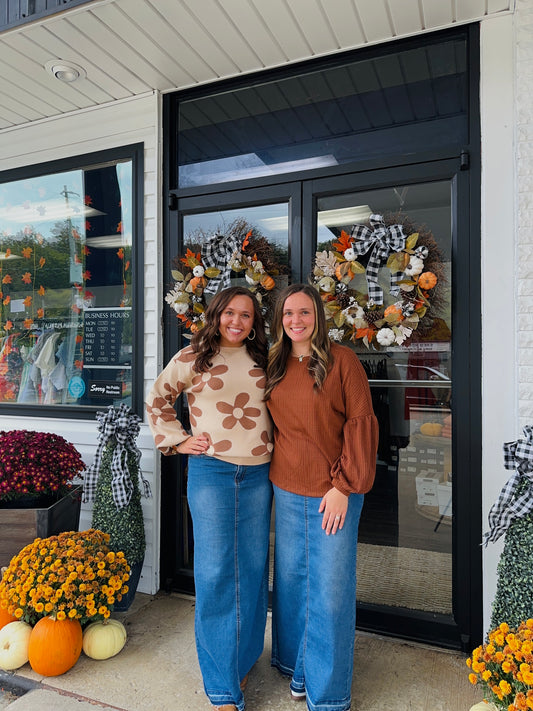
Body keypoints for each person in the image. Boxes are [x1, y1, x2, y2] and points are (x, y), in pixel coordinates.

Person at [146, 285, 273, 711]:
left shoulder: (265, 359)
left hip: (259, 475)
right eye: (230, 313)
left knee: (253, 569)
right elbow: (158, 399)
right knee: (217, 572)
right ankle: (222, 689)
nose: (237, 322)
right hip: (212, 472)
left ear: (254, 323)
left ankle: (243, 657)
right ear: (216, 315)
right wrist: (178, 441)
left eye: (246, 316)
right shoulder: (191, 358)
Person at [264, 283, 379, 711]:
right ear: (280, 319)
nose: (296, 320)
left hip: (335, 492)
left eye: (305, 313)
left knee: (329, 589)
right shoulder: (273, 363)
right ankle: (297, 668)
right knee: (292, 584)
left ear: (319, 317)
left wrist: (343, 486)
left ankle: (328, 694)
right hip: (286, 488)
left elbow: (361, 424)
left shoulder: (342, 361)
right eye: (289, 313)